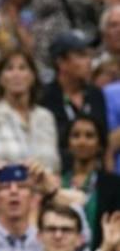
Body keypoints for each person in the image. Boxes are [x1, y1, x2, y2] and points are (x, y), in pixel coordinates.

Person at [60, 115, 120, 251]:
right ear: (68, 143)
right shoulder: (58, 183)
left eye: (89, 136)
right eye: (76, 136)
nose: (82, 141)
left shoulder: (114, 185)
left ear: (100, 144)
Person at [41, 32, 108, 161]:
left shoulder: (95, 95)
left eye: (90, 55)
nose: (89, 61)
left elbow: (104, 141)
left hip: (93, 169)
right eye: (81, 56)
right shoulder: (45, 98)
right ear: (61, 62)